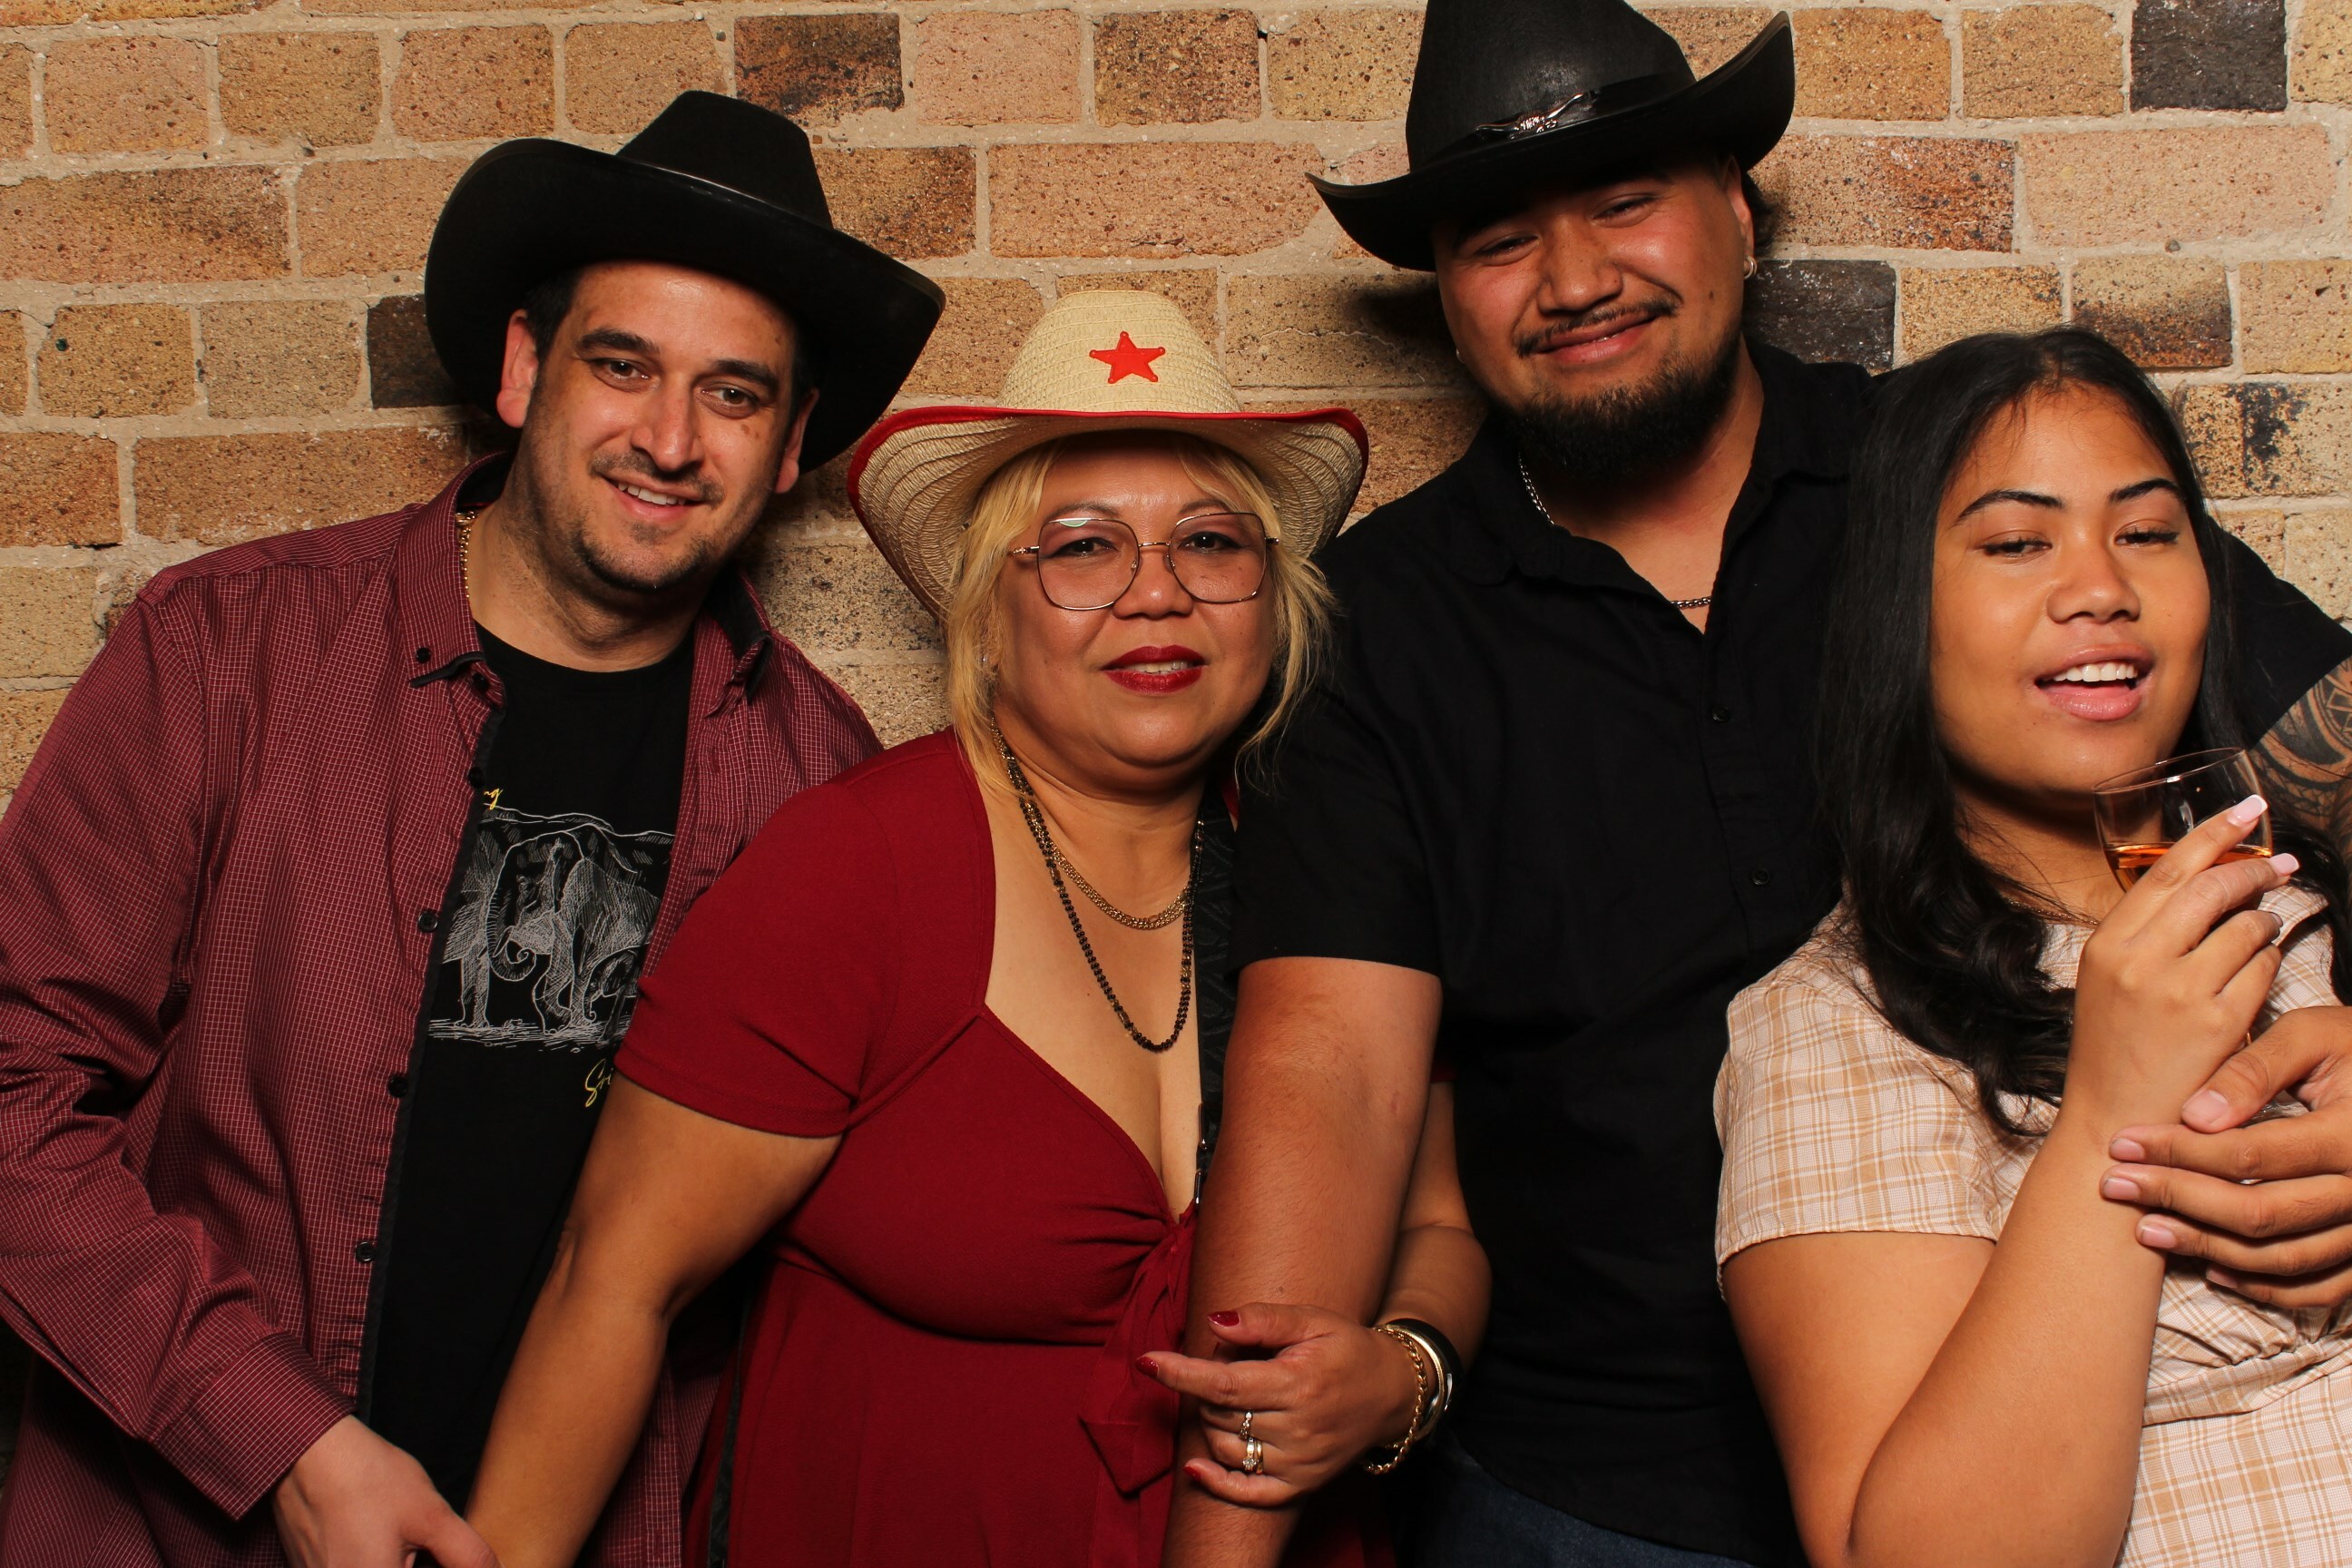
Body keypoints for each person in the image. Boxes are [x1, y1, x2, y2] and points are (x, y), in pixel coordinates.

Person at [1175, 2, 2352, 1563]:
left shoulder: (1960, 486)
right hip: (1599, 1489)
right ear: (1445, 297)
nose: (1575, 279)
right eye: (1500, 241)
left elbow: (2296, 737)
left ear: (1738, 212)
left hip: (2083, 1433)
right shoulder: (1381, 626)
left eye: (1624, 203)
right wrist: (1232, 1524)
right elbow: (1331, 1068)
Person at [0, 91, 940, 1568]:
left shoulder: (820, 784)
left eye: (735, 394)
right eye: (622, 366)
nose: (670, 439)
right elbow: (13, 1094)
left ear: (790, 442)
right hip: (180, 1524)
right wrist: (281, 1440)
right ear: (520, 368)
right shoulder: (231, 653)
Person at [462, 291, 1489, 1568]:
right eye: (1083, 548)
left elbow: (1438, 1229)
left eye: (1211, 544)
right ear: (988, 609)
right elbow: (613, 1284)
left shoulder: (1338, 861)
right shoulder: (861, 867)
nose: (1157, 594)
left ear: (1271, 599)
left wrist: (1403, 1376)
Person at [1715, 327, 2352, 1566]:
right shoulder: (1834, 1024)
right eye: (2017, 543)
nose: (2099, 586)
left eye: (2148, 531)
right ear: (1901, 611)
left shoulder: (2307, 899)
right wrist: (2113, 1106)